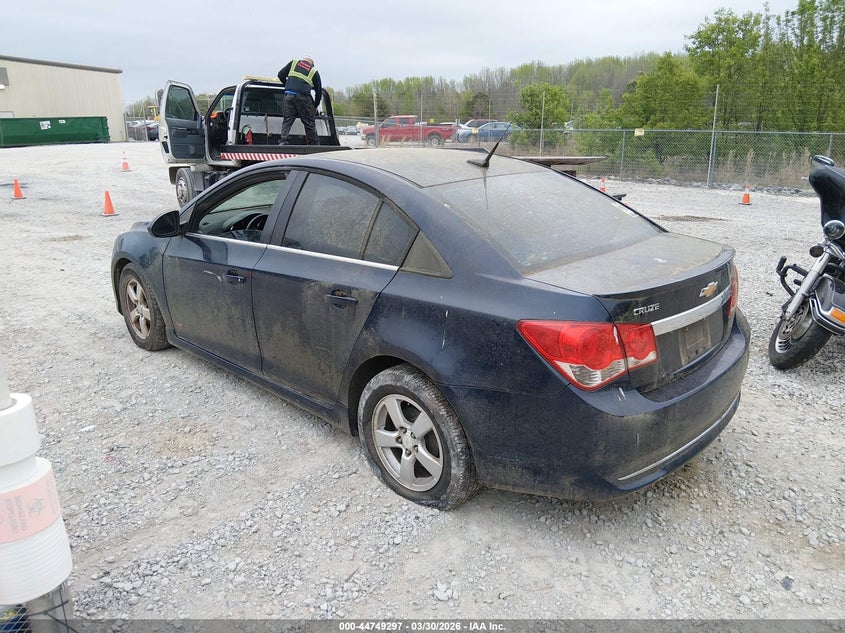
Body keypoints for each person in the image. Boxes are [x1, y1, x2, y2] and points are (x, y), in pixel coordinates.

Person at [277, 56, 322, 145]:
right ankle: (313, 145)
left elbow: (280, 74)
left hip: (289, 95)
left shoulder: (293, 63)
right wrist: (315, 106)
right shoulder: (313, 71)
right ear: (312, 64)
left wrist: (288, 85)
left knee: (288, 119)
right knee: (309, 122)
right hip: (303, 97)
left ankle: (283, 141)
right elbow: (319, 91)